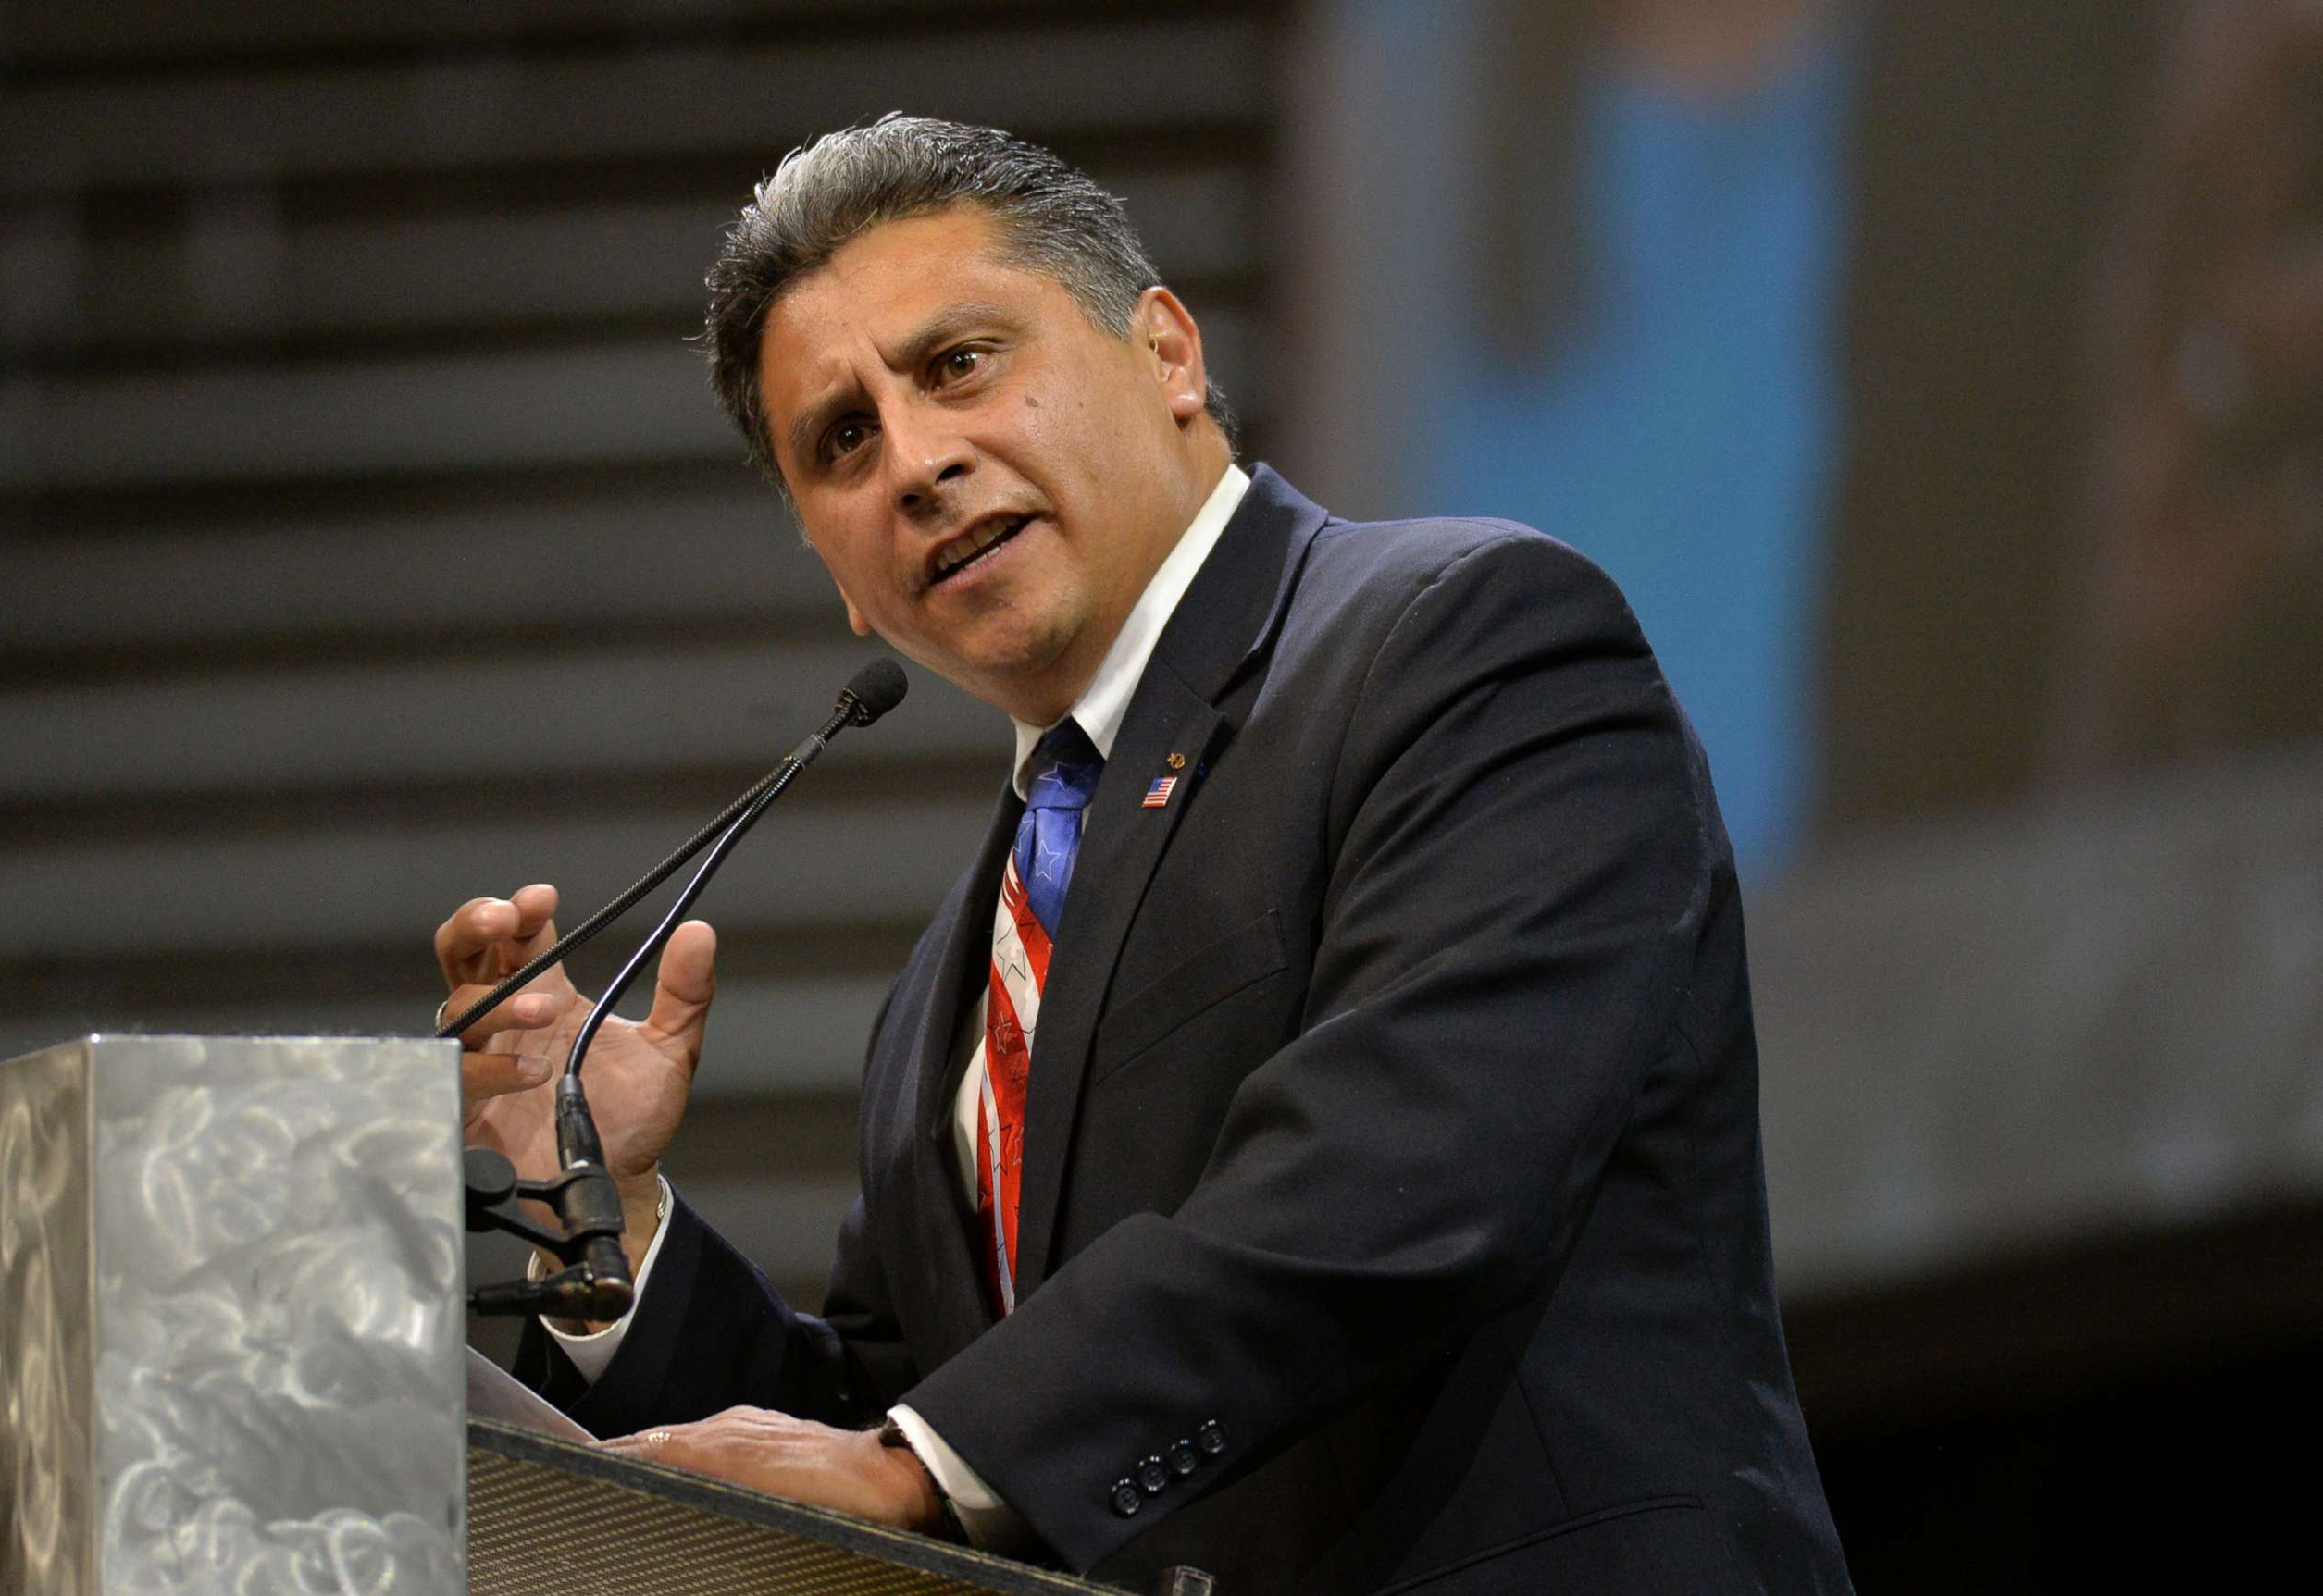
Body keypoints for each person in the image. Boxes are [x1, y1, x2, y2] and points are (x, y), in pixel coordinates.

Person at [436, 116, 1852, 1594]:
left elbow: (1398, 1176)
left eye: (959, 362)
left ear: (1168, 352)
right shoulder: (946, 993)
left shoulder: (1465, 643)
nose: (915, 462)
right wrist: (599, 1222)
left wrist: (922, 1460)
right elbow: (864, 1444)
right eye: (842, 440)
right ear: (835, 572)